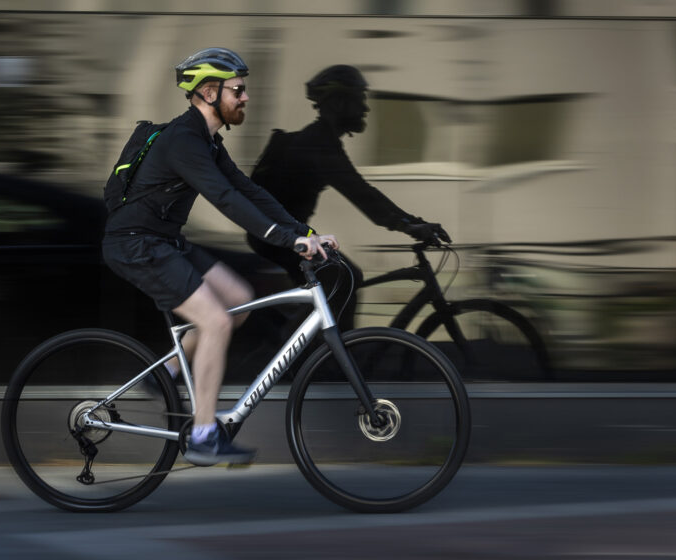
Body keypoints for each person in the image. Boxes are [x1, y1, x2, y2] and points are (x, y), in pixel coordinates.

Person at [102, 47, 337, 466]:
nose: (245, 98)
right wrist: (284, 239)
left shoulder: (207, 142)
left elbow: (250, 192)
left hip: (164, 240)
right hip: (136, 243)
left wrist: (305, 233)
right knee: (215, 321)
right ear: (209, 92)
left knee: (238, 296)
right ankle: (204, 435)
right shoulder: (184, 141)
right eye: (238, 90)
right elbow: (225, 200)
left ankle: (168, 373)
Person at [248, 64, 448, 330]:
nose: (365, 109)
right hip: (277, 237)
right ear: (339, 102)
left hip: (283, 233)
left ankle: (326, 351)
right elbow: (363, 195)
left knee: (342, 280)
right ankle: (308, 353)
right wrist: (411, 225)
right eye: (359, 100)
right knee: (345, 278)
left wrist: (410, 223)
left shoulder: (322, 140)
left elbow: (363, 193)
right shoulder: (318, 144)